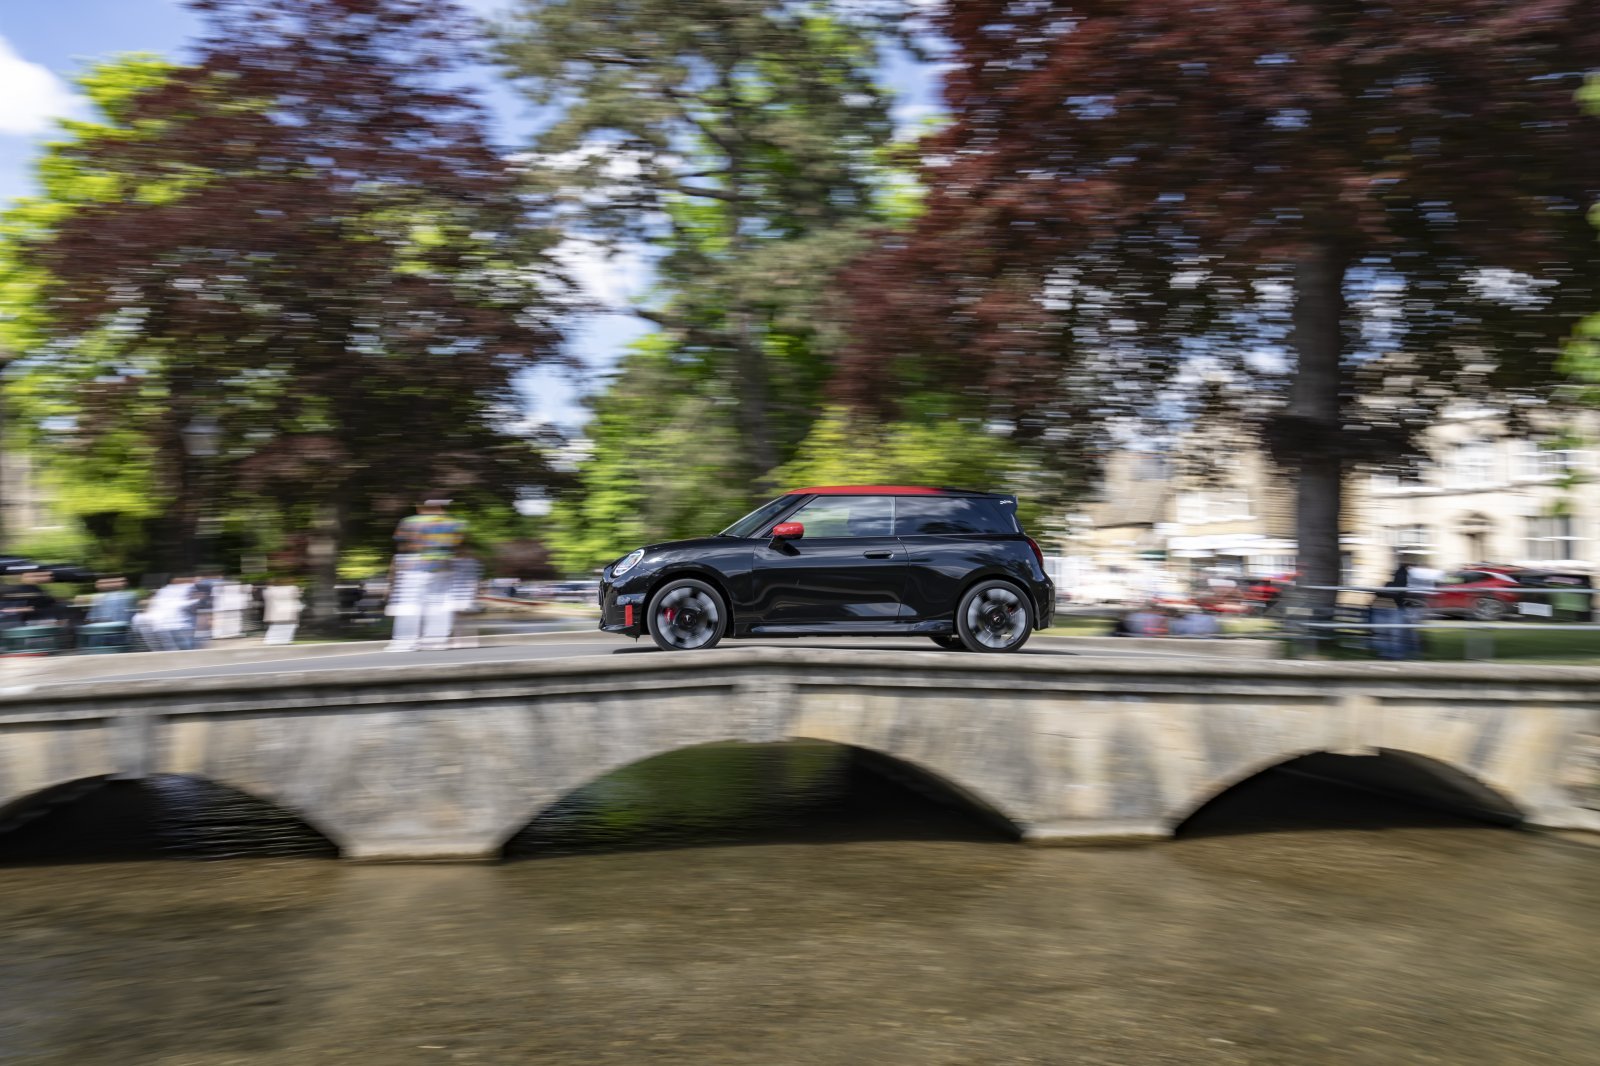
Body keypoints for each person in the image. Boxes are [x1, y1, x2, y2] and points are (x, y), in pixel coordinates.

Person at [388, 499, 467, 652]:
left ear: (420, 507)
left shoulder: (409, 522)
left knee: (410, 603)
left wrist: (396, 566)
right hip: (443, 567)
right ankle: (435, 640)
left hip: (414, 566)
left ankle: (405, 642)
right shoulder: (455, 523)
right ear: (440, 506)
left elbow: (402, 545)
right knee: (439, 603)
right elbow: (458, 546)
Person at [261, 581, 303, 645]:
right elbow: (297, 595)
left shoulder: (271, 590)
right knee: (286, 627)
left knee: (277, 627)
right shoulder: (292, 588)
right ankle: (282, 640)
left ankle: (272, 640)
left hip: (278, 614)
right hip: (288, 613)